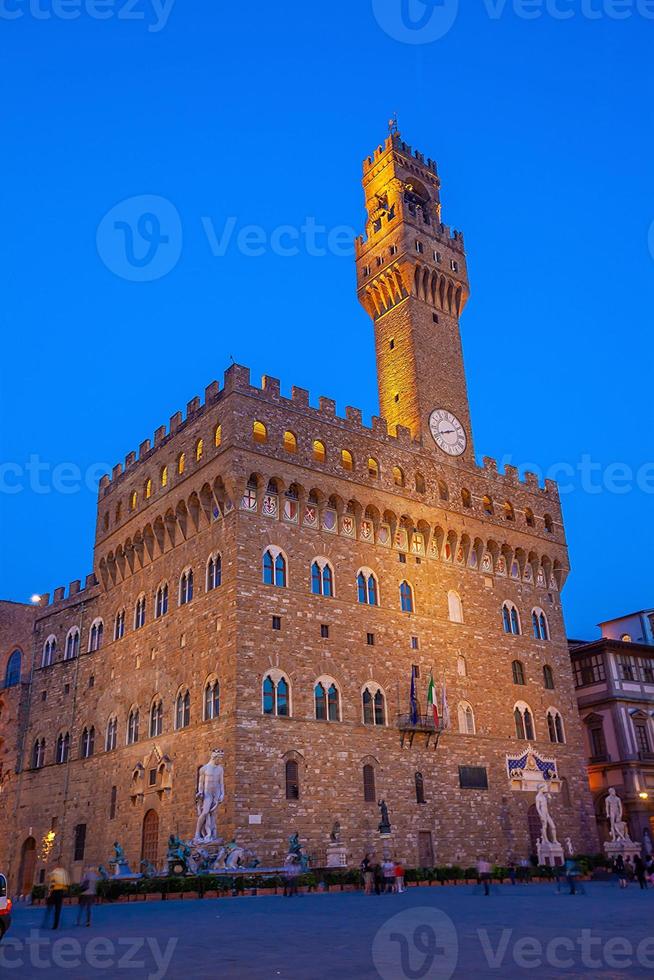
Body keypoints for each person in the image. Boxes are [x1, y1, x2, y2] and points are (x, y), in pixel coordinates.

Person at [46, 861, 70, 930]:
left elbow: (51, 884)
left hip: (55, 893)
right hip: (60, 893)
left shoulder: (54, 874)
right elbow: (66, 885)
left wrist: (49, 892)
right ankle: (56, 924)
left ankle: (50, 922)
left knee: (50, 908)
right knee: (57, 909)